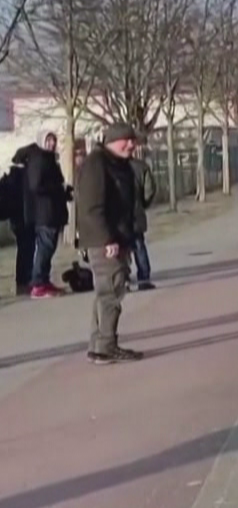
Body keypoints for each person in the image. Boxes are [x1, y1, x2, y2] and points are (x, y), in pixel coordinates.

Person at [73, 123, 145, 364]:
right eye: (126, 140)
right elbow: (91, 208)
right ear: (111, 140)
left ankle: (99, 344)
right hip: (105, 241)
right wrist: (107, 239)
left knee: (106, 292)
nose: (131, 145)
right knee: (111, 292)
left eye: (133, 140)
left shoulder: (117, 164)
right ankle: (106, 347)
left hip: (118, 236)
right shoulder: (97, 164)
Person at [24, 132, 71, 298]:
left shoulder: (50, 159)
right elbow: (36, 186)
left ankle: (43, 280)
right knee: (44, 248)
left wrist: (64, 192)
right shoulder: (39, 159)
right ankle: (38, 283)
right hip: (45, 212)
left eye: (54, 140)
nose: (52, 144)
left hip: (53, 210)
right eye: (48, 140)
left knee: (49, 248)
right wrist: (58, 190)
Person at [129, 141, 158, 290]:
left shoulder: (111, 167)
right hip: (135, 212)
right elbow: (150, 189)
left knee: (121, 249)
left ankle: (123, 279)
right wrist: (143, 204)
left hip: (117, 216)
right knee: (139, 245)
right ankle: (144, 278)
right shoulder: (141, 167)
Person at [4, 148, 30, 296]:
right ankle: (23, 282)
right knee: (26, 249)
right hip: (22, 217)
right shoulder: (21, 177)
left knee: (23, 248)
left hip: (16, 218)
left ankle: (22, 282)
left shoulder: (13, 176)